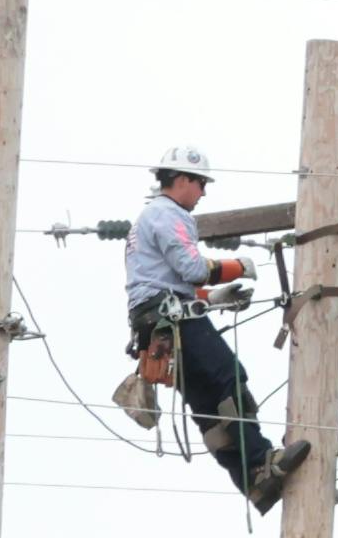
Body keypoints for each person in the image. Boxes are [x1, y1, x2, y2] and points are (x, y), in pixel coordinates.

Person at [121, 147, 285, 511]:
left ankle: (253, 484)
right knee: (230, 379)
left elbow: (173, 280)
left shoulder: (148, 218)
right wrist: (237, 266)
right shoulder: (168, 213)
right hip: (174, 321)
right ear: (181, 179)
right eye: (200, 183)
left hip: (159, 322)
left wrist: (213, 297)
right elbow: (192, 268)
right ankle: (262, 462)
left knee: (209, 409)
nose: (203, 192)